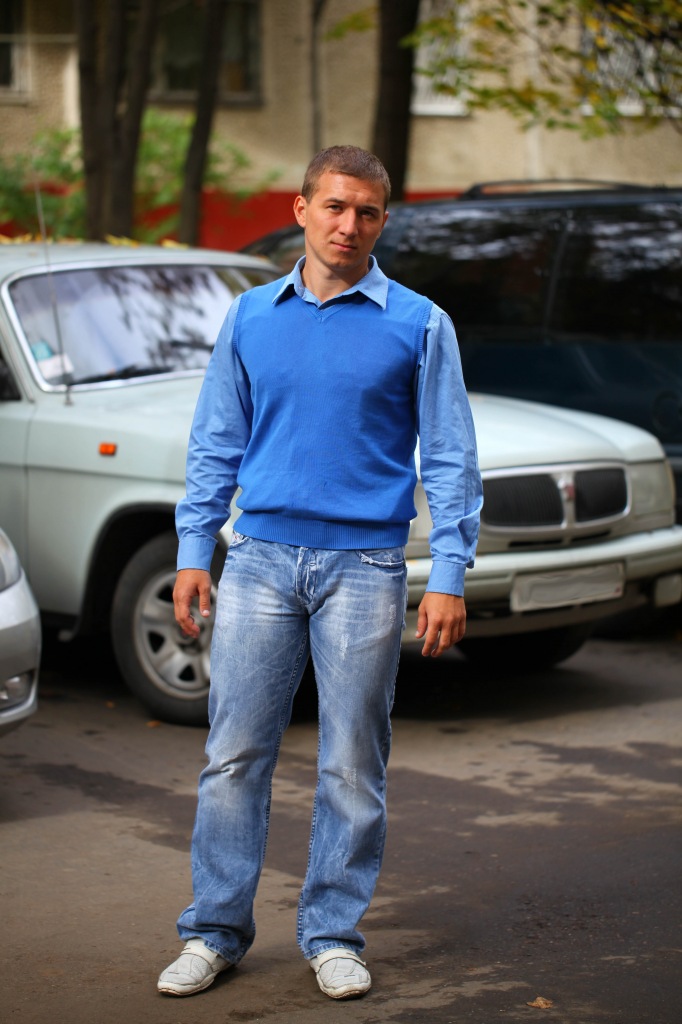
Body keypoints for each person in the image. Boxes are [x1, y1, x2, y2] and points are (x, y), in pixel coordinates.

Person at [158, 145, 482, 1001]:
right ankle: (213, 931)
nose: (349, 225)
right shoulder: (250, 317)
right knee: (234, 756)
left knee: (351, 764)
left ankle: (333, 933)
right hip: (259, 561)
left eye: (367, 212)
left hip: (366, 567)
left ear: (383, 221)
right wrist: (194, 551)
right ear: (301, 210)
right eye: (334, 206)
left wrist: (449, 571)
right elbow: (215, 442)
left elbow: (451, 456)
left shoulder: (420, 323)